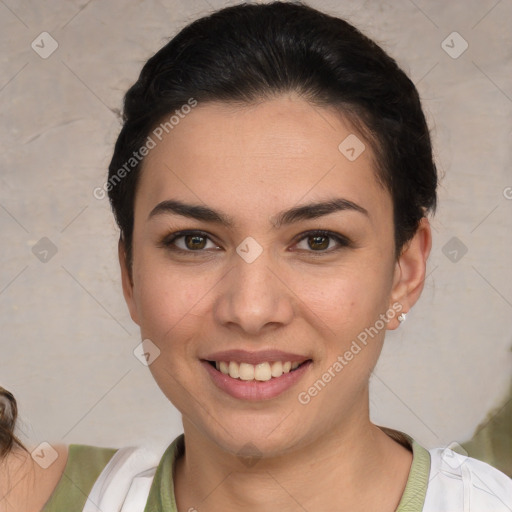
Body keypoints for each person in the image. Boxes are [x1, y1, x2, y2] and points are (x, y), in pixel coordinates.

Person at [1, 2, 511, 511]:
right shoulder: (31, 495)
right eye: (194, 241)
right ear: (129, 274)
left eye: (318, 241)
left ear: (405, 272)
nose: (250, 310)